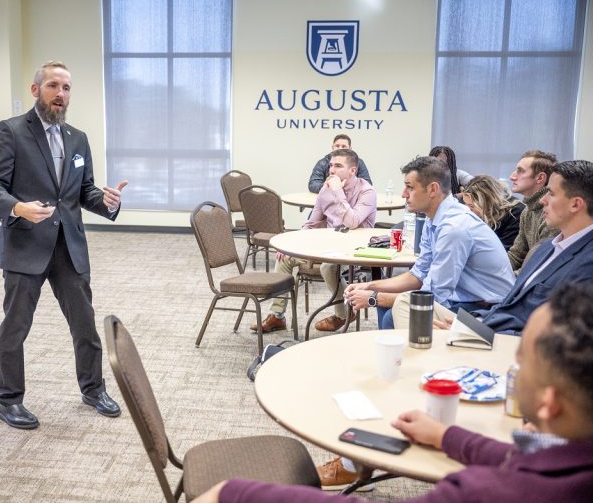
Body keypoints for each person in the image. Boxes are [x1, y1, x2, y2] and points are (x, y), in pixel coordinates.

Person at [194, 281, 593, 503]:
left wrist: (236, 492)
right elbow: (530, 457)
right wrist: (449, 436)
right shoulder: (564, 461)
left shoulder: (491, 494)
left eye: (520, 363)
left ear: (548, 403)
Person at [0, 61, 126, 429]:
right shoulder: (11, 131)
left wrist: (105, 201)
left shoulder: (78, 138)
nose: (61, 94)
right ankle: (8, 400)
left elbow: (82, 192)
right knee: (16, 325)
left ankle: (94, 389)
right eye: (53, 86)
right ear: (36, 90)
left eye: (67, 88)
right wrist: (16, 208)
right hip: (25, 245)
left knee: (85, 324)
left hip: (68, 247)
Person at [343, 157, 514, 331]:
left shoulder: (454, 228)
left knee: (392, 314)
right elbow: (418, 275)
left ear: (433, 189)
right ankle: (401, 355)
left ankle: (411, 357)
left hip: (488, 311)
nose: (404, 194)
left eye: (410, 187)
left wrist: (373, 297)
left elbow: (434, 296)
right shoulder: (434, 219)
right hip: (467, 299)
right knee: (386, 306)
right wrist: (369, 286)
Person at [429, 159, 593, 336]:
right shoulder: (546, 248)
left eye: (551, 194)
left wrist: (480, 333)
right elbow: (510, 305)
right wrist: (476, 322)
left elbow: (561, 336)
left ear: (575, 204)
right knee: (411, 306)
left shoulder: (587, 262)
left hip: (517, 344)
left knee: (415, 316)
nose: (543, 200)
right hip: (490, 325)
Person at [252, 149, 376, 333]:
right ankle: (278, 316)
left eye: (338, 166)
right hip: (329, 248)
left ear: (353, 171)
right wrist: (291, 246)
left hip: (354, 252)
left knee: (328, 266)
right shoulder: (325, 190)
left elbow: (353, 222)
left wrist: (338, 192)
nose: (332, 170)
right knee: (284, 258)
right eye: (331, 165)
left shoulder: (367, 192)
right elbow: (311, 224)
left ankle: (344, 315)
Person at [506, 150, 559, 272]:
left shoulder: (553, 212)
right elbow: (516, 255)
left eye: (520, 171)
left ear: (540, 178)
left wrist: (504, 281)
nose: (512, 176)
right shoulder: (527, 211)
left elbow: (541, 263)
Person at [461, 175, 525, 250]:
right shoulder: (477, 213)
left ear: (488, 202)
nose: (469, 211)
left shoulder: (515, 213)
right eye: (466, 205)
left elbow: (508, 251)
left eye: (472, 206)